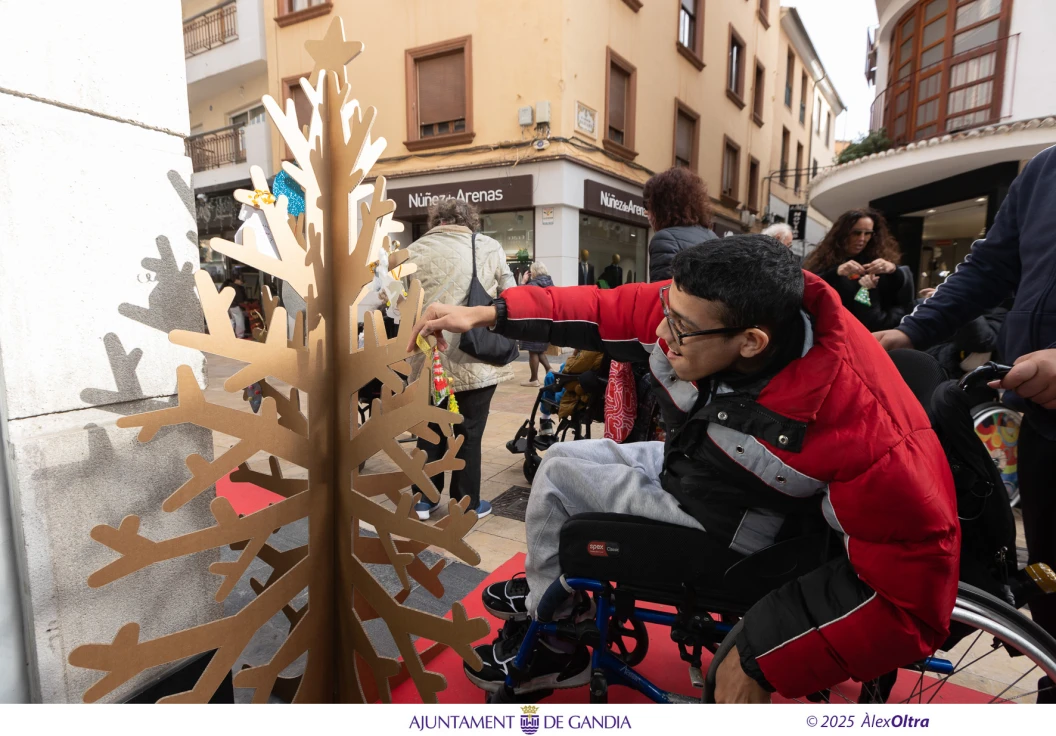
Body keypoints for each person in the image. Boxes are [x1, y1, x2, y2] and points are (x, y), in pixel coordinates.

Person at [408, 236, 959, 702]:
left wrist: (762, 655)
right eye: (666, 312)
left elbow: (913, 598)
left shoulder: (864, 422)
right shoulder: (716, 310)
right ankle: (547, 594)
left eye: (680, 328)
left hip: (746, 522)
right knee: (558, 461)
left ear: (751, 342)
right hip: (713, 467)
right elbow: (610, 307)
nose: (662, 333)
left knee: (557, 478)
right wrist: (492, 312)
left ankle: (557, 640)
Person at [874, 146, 1056, 699]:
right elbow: (988, 268)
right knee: (1049, 584)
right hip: (1042, 418)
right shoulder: (1045, 170)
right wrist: (907, 333)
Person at [405, 197, 516, 521]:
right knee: (470, 432)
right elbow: (509, 295)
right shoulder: (489, 247)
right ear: (470, 220)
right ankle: (466, 502)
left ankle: (424, 501)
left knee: (429, 430)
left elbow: (397, 302)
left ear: (435, 220)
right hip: (475, 355)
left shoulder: (412, 252)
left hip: (427, 358)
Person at [803, 208, 909, 332]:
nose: (862, 239)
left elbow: (898, 294)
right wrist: (835, 273)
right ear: (843, 234)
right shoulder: (823, 259)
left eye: (868, 233)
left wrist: (893, 270)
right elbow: (808, 287)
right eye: (856, 233)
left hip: (869, 331)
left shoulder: (879, 258)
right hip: (832, 328)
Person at [643, 167, 718, 282]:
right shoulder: (712, 237)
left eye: (648, 206)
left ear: (660, 206)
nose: (646, 213)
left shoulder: (664, 239)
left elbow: (664, 294)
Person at [518, 262, 554, 387]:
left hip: (533, 321)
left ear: (532, 273)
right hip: (547, 322)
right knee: (539, 349)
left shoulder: (531, 285)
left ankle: (534, 379)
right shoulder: (550, 283)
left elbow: (518, 298)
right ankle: (550, 370)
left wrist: (523, 281)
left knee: (533, 351)